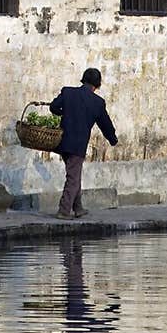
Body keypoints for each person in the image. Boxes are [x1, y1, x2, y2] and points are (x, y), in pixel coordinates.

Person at [49, 67, 118, 219]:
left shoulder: (68, 92)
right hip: (78, 145)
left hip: (63, 142)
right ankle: (64, 210)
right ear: (97, 85)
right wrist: (112, 139)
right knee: (73, 177)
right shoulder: (97, 103)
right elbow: (105, 124)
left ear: (83, 80)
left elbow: (53, 107)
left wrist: (65, 112)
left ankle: (78, 208)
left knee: (74, 174)